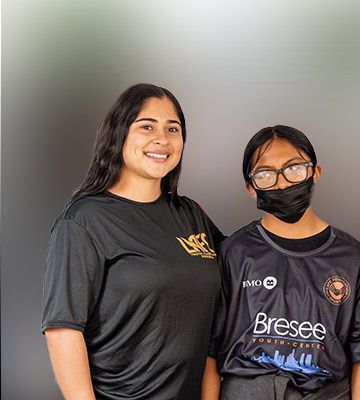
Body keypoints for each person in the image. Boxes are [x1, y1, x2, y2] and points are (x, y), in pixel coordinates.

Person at [42, 83, 224, 399]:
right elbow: (63, 330)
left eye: (173, 128)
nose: (162, 139)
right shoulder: (85, 220)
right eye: (146, 126)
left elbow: (241, 273)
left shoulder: (191, 215)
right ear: (119, 134)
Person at [205, 125, 360, 399]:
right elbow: (209, 349)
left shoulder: (352, 257)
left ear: (316, 172)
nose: (282, 182)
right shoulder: (235, 252)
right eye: (265, 174)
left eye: (294, 168)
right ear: (250, 188)